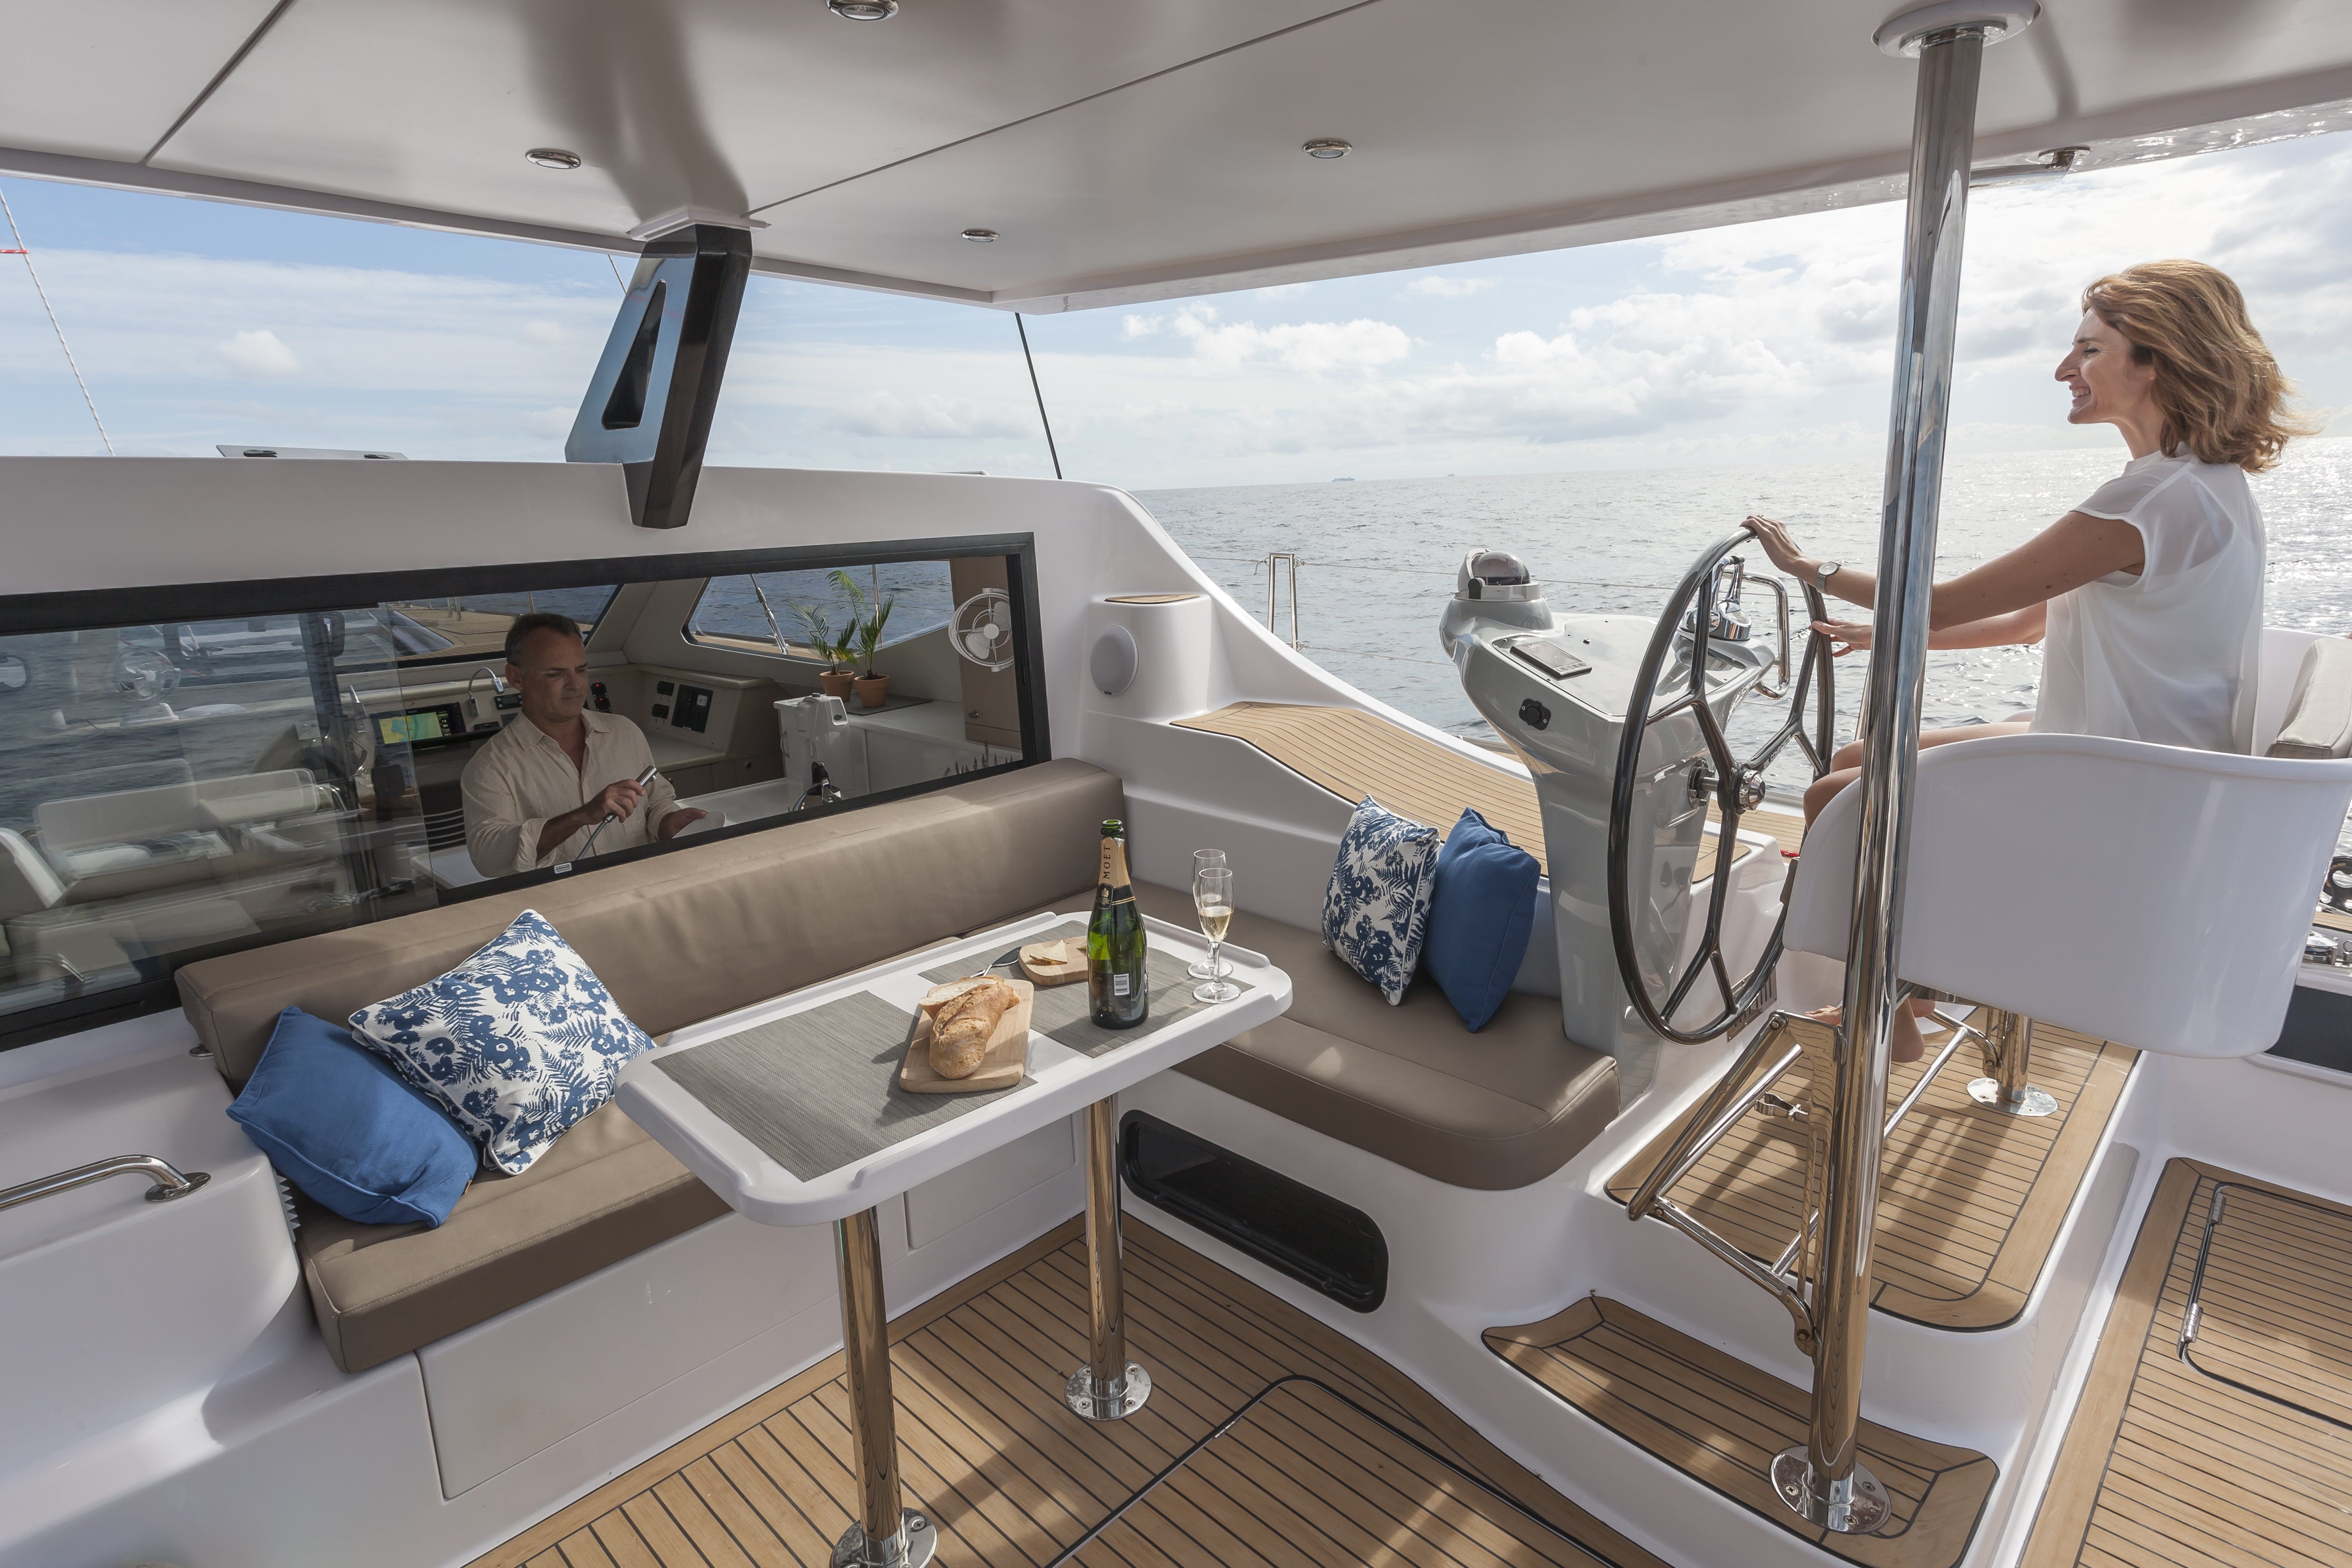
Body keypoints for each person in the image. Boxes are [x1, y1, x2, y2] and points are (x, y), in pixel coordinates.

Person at [1744, 260, 2304, 1056]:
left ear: (2154, 360)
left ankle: (1887, 1013)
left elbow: (1939, 600)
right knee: (1855, 760)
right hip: (2143, 765)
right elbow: (2024, 624)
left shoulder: (2150, 499)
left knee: (1839, 796)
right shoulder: (2205, 486)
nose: (2062, 369)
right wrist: (1884, 635)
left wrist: (1809, 569)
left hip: (2121, 788)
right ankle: (1910, 991)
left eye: (2087, 349)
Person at [462, 613, 706, 877]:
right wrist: (580, 817)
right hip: (563, 899)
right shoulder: (490, 765)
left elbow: (656, 803)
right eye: (556, 674)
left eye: (581, 670)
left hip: (641, 887)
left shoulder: (625, 733)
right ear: (517, 678)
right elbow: (488, 857)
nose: (576, 685)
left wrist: (670, 823)